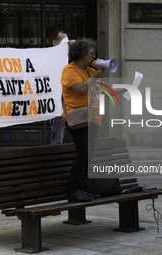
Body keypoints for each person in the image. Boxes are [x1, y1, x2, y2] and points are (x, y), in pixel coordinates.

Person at [61, 38, 105, 202]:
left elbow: (103, 90)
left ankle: (82, 188)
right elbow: (80, 89)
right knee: (83, 153)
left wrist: (128, 88)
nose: (94, 57)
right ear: (81, 55)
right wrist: (96, 77)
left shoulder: (90, 72)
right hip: (77, 118)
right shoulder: (69, 70)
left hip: (93, 118)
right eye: (91, 54)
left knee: (89, 154)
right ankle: (73, 190)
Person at [49, 30, 75, 144]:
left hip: (70, 105)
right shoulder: (50, 58)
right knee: (57, 140)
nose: (67, 44)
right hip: (58, 106)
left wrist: (76, 46)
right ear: (55, 42)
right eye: (63, 41)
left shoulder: (70, 57)